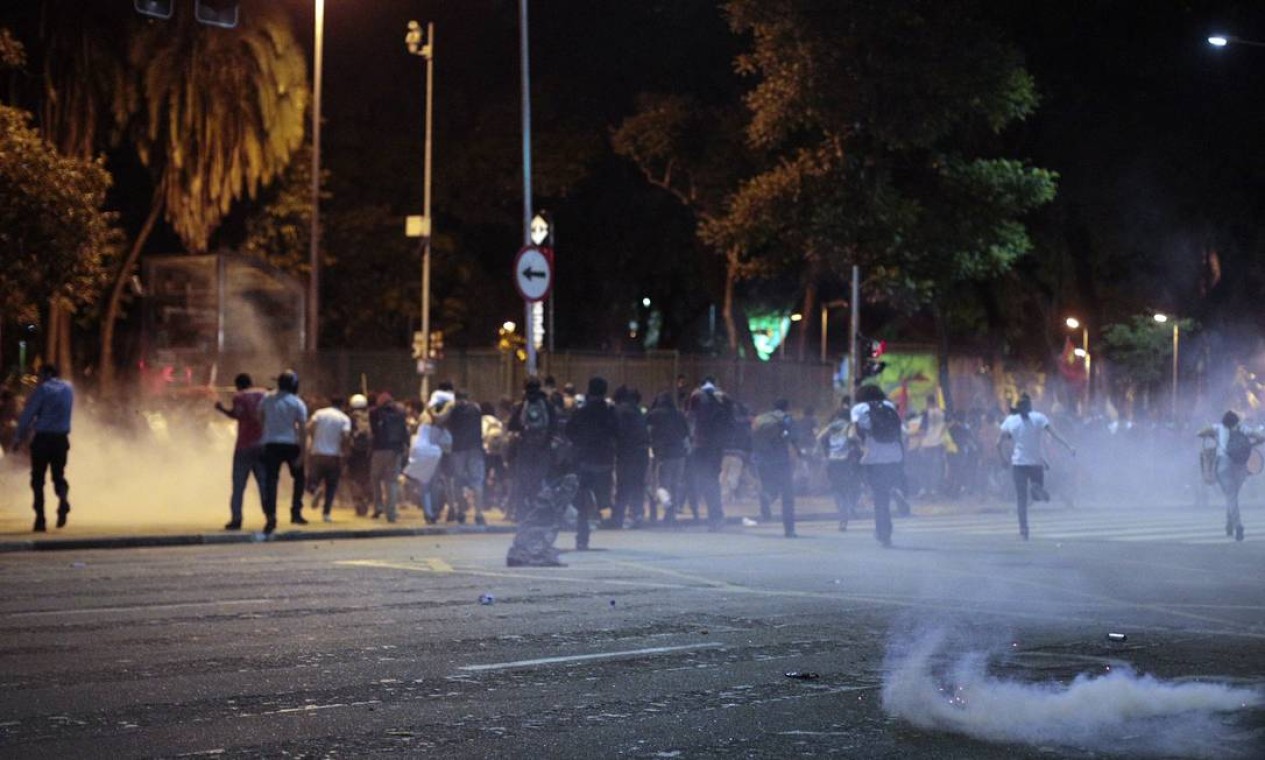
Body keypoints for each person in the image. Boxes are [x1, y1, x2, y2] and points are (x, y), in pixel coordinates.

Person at [998, 393, 1076, 541]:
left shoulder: (1010, 420)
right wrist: (1069, 446)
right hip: (1035, 464)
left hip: (1018, 464)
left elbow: (998, 443)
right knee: (1036, 495)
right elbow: (1054, 435)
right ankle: (1036, 487)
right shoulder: (1039, 418)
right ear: (1031, 406)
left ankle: (1024, 529)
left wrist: (1002, 459)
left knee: (1021, 499)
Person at [13, 365, 74, 532]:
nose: (38, 379)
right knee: (58, 476)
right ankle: (63, 498)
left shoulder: (42, 390)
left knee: (38, 479)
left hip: (43, 439)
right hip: (61, 440)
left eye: (39, 375)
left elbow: (28, 414)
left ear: (46, 374)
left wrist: (18, 438)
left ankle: (40, 518)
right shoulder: (69, 388)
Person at [566, 376, 618, 549]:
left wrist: (579, 444)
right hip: (605, 460)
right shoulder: (610, 411)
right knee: (604, 496)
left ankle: (583, 537)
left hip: (585, 460)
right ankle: (606, 519)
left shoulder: (582, 411)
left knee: (582, 499)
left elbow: (569, 430)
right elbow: (617, 433)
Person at [851, 384, 905, 547]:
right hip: (894, 456)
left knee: (879, 496)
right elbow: (899, 430)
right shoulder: (889, 405)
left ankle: (883, 531)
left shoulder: (859, 408)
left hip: (874, 457)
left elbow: (855, 433)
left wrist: (861, 446)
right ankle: (885, 529)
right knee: (884, 494)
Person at [1198, 410, 1262, 542]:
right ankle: (1229, 524)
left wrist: (1211, 434)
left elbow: (1199, 433)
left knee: (1230, 495)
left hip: (1224, 465)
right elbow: (1260, 437)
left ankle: (1238, 525)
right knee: (1232, 496)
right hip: (1240, 465)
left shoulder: (1219, 428)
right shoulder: (1243, 428)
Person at [214, 373, 267, 530]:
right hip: (262, 445)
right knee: (264, 485)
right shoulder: (264, 394)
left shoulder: (240, 397)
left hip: (244, 446)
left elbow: (237, 414)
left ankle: (236, 519)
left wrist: (221, 409)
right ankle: (270, 516)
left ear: (238, 385)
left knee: (238, 486)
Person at [259, 369, 309, 534]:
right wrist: (303, 453)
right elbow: (302, 429)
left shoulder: (267, 399)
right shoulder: (297, 402)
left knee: (271, 481)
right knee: (299, 478)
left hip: (271, 443)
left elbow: (259, 416)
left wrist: (267, 430)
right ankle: (296, 512)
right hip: (290, 443)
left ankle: (271, 515)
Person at [506, 376, 558, 522]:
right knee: (540, 481)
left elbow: (511, 425)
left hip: (526, 449)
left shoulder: (523, 404)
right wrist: (545, 442)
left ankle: (522, 514)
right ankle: (541, 514)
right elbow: (554, 426)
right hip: (543, 450)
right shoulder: (547, 404)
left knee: (523, 482)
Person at [685, 377, 732, 531]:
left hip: (701, 444)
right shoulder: (723, 397)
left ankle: (711, 516)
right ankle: (716, 517)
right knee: (712, 480)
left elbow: (690, 418)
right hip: (717, 446)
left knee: (702, 480)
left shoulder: (696, 396)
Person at [751, 398, 798, 537]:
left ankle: (767, 496)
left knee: (770, 486)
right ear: (787, 407)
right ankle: (789, 529)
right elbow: (792, 437)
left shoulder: (761, 419)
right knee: (787, 494)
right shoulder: (786, 418)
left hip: (762, 460)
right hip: (781, 461)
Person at [645, 390, 689, 524]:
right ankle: (671, 515)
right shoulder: (679, 414)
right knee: (675, 484)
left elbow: (646, 431)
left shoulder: (654, 414)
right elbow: (685, 433)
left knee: (661, 485)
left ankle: (667, 506)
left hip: (663, 454)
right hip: (679, 454)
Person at [307, 396, 352, 522]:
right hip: (334, 455)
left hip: (317, 452)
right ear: (343, 405)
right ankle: (326, 513)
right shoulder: (344, 418)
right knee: (331, 486)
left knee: (312, 480)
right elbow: (345, 436)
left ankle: (315, 489)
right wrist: (345, 452)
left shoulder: (319, 413)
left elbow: (309, 427)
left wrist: (314, 438)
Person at [818, 402, 861, 531]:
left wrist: (826, 451)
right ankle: (846, 511)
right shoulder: (849, 426)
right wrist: (858, 442)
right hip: (845, 461)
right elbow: (852, 436)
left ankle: (842, 514)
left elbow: (819, 437)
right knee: (849, 487)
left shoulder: (832, 426)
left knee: (836, 489)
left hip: (832, 460)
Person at [447, 390, 488, 525]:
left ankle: (461, 513)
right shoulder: (475, 409)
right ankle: (479, 514)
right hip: (475, 448)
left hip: (458, 449)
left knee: (458, 481)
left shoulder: (453, 410)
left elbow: (448, 426)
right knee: (477, 481)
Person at [369, 391, 411, 523]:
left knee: (375, 479)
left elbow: (373, 430)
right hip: (395, 451)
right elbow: (405, 432)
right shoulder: (400, 414)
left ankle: (378, 507)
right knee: (391, 482)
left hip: (379, 450)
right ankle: (391, 513)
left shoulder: (375, 413)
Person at [613, 386, 651, 527]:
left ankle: (618, 517)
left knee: (623, 485)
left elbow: (617, 431)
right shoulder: (638, 411)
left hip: (626, 452)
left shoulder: (618, 411)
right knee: (638, 485)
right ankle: (637, 515)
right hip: (642, 452)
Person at [345, 394, 374, 515]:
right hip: (368, 452)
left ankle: (358, 501)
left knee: (353, 478)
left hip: (354, 452)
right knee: (366, 477)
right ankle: (367, 499)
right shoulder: (370, 417)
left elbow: (346, 435)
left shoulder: (350, 418)